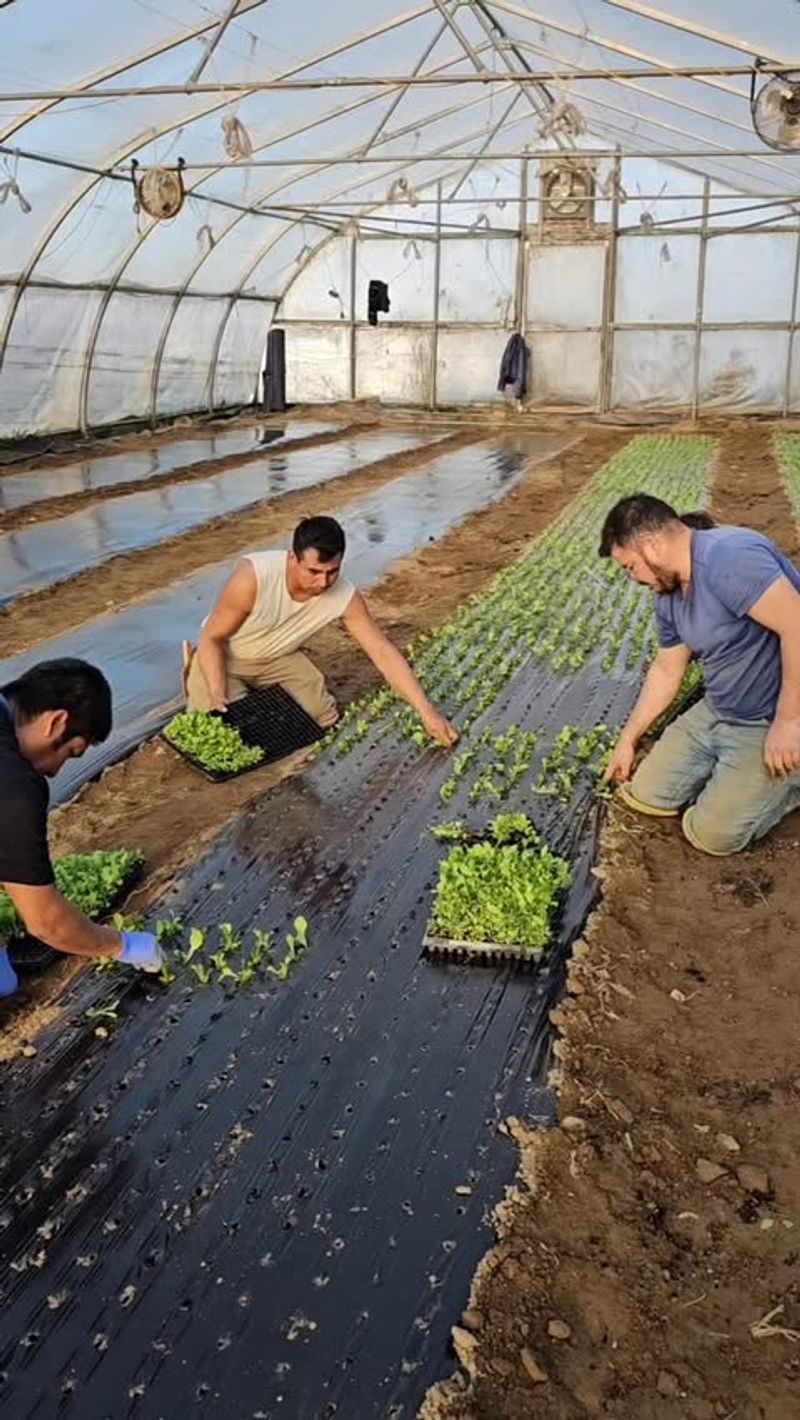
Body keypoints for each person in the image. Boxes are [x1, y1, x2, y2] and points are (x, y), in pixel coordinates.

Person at [599, 494, 800, 856]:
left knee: (713, 837)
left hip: (770, 717)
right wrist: (628, 739)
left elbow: (797, 627)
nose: (632, 578)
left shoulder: (731, 559)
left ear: (651, 546)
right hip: (721, 707)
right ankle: (733, 777)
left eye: (630, 567)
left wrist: (788, 722)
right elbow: (666, 669)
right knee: (645, 797)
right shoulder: (669, 591)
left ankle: (790, 780)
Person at [182, 515, 458, 748]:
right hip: (225, 656)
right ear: (292, 557)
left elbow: (383, 653)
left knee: (321, 719)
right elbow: (213, 638)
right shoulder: (253, 576)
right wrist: (218, 694)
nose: (323, 582)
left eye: (332, 571)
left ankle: (251, 694)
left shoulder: (345, 597)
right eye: (313, 571)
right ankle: (196, 670)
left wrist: (427, 713)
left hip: (278, 657)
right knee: (229, 733)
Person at [0, 659, 163, 998]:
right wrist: (123, 945)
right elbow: (47, 923)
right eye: (71, 753)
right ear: (56, 722)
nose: (55, 773)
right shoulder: (14, 784)